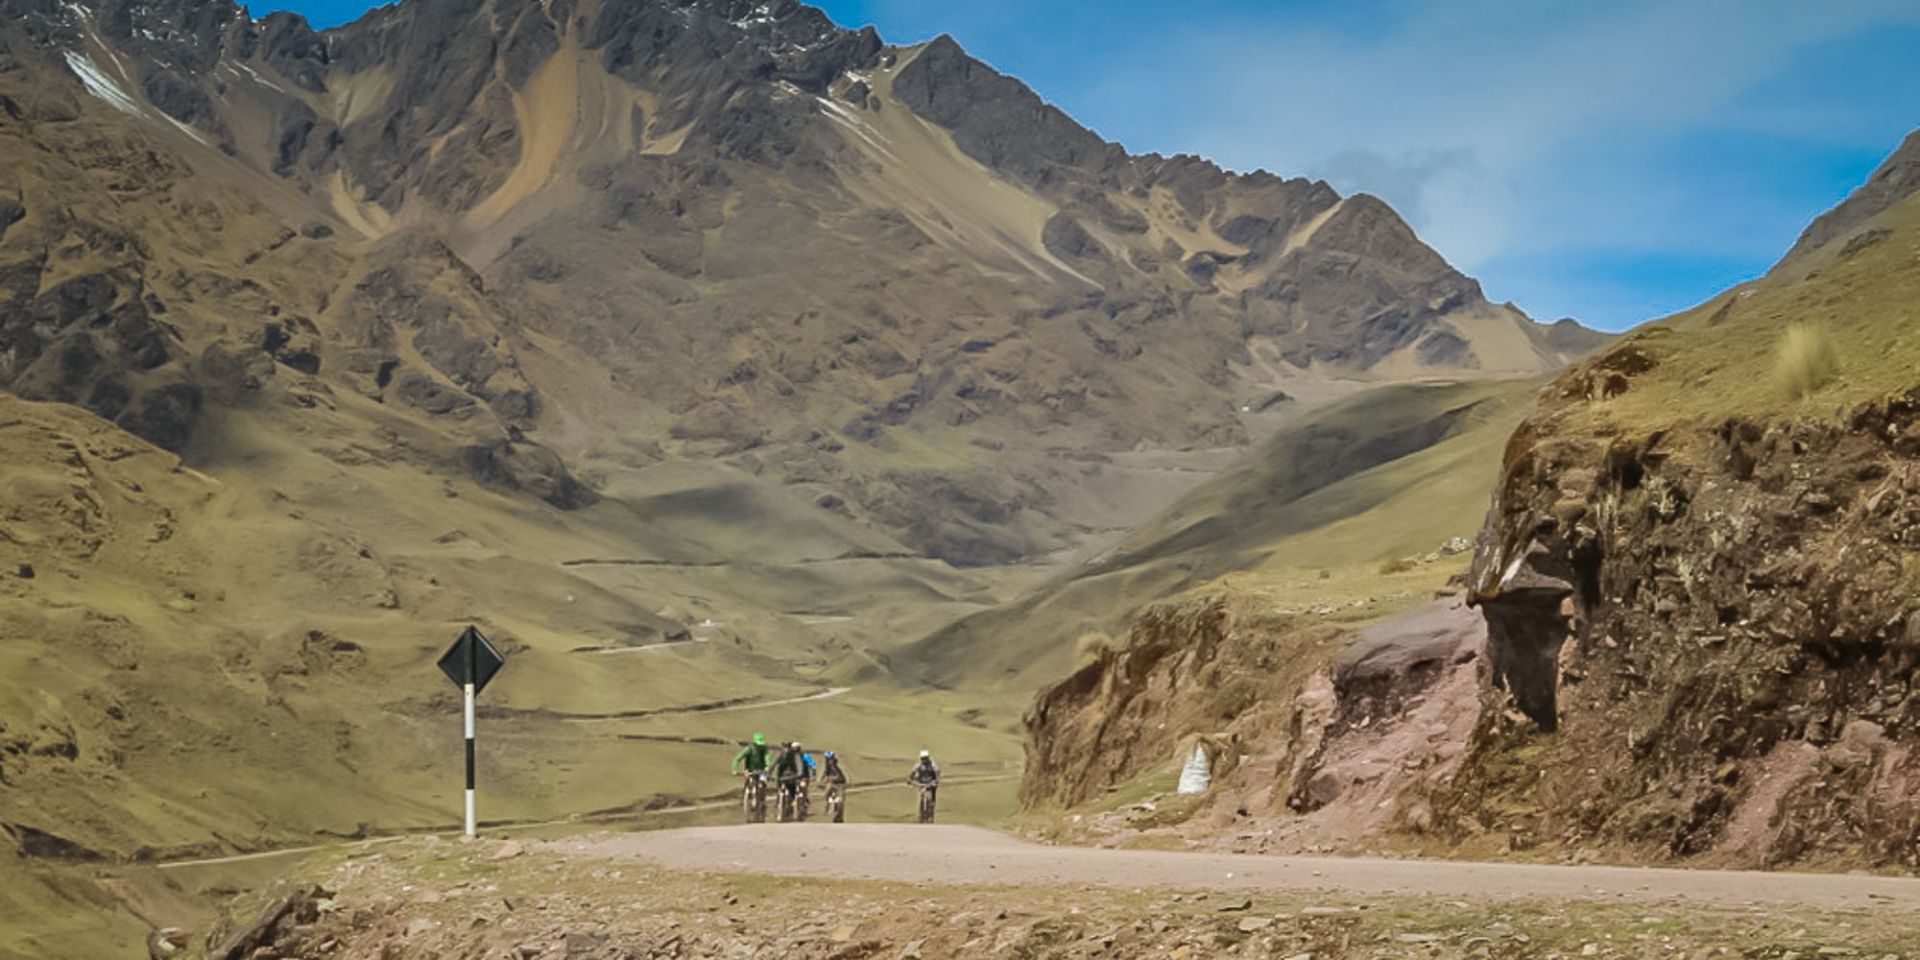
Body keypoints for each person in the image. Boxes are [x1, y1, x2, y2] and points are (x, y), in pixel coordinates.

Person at [773, 740, 810, 820]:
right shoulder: (784, 755)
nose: (795, 750)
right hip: (787, 777)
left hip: (802, 776)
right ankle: (781, 806)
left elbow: (811, 764)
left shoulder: (804, 755)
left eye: (796, 748)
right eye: (794, 748)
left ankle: (804, 801)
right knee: (782, 790)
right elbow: (775, 764)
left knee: (802, 789)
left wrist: (811, 773)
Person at [907, 749, 940, 822]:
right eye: (922, 758)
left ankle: (930, 819)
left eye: (925, 758)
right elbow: (910, 777)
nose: (923, 760)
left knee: (930, 803)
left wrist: (932, 784)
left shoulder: (934, 766)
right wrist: (915, 783)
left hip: (931, 787)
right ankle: (920, 819)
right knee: (921, 803)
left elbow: (937, 778)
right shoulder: (918, 766)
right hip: (921, 786)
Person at [821, 751, 849, 822]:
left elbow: (846, 775)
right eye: (828, 760)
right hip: (831, 784)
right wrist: (820, 782)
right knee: (826, 793)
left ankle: (840, 816)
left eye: (831, 759)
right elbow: (822, 775)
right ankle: (827, 807)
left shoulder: (839, 766)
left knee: (841, 801)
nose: (830, 761)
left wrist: (847, 783)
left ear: (834, 759)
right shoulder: (826, 767)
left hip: (840, 785)